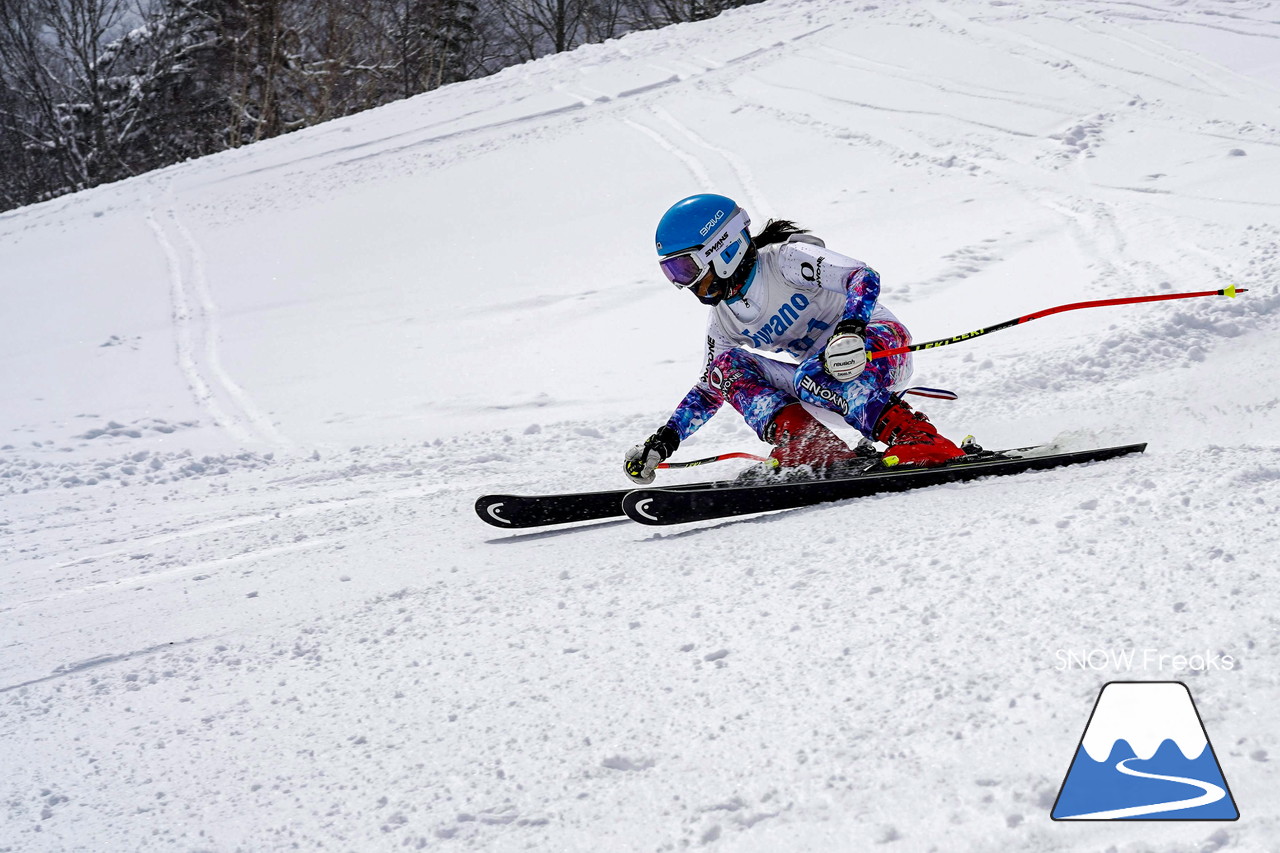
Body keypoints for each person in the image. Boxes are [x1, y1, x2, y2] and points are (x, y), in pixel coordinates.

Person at [624, 193, 967, 485]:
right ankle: (811, 446)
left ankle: (919, 439)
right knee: (725, 368)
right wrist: (664, 440)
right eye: (672, 273)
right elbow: (708, 389)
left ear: (722, 248)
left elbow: (862, 276)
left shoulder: (786, 260)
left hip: (880, 350)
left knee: (812, 372)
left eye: (686, 268)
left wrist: (850, 330)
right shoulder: (725, 318)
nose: (685, 283)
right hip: (824, 387)